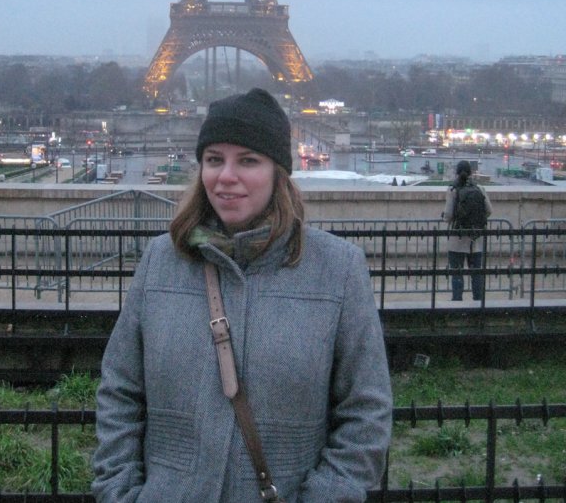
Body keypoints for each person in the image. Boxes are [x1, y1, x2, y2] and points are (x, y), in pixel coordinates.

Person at [93, 88, 393, 503]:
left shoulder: (339, 269)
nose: (226, 176)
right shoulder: (159, 260)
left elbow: (365, 413)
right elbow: (120, 391)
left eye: (247, 160)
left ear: (278, 172)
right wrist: (121, 493)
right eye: (214, 159)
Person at [443, 159, 493, 301]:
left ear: (456, 173)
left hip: (457, 240)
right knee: (476, 275)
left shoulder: (453, 190)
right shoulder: (480, 189)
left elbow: (448, 215)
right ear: (471, 173)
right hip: (475, 240)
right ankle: (478, 303)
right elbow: (489, 210)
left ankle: (458, 304)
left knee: (457, 275)